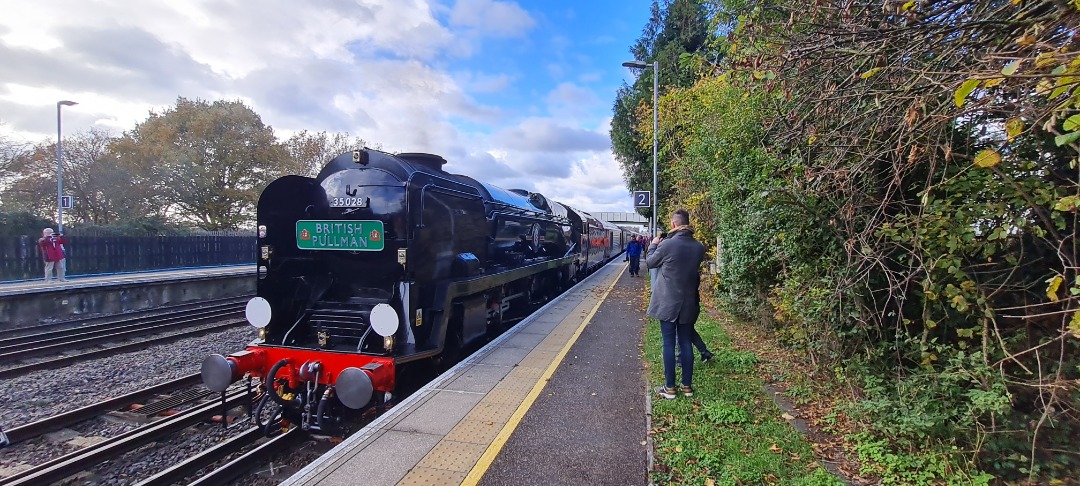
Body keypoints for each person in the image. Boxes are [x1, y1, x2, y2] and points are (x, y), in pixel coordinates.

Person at [646, 209, 706, 399]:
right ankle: (687, 387)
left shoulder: (667, 245)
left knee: (668, 343)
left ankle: (669, 388)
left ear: (673, 224)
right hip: (689, 302)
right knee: (686, 342)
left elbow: (650, 263)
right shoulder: (699, 247)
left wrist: (653, 245)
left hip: (668, 303)